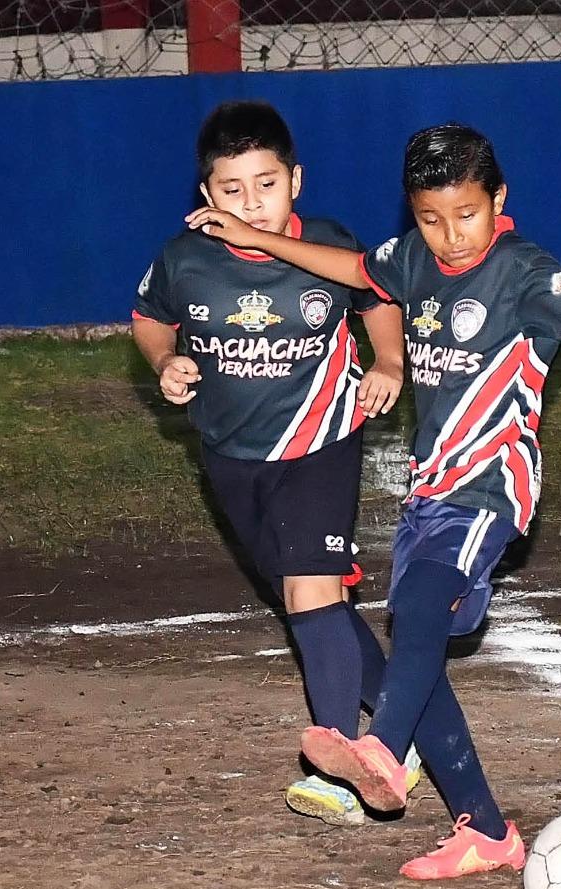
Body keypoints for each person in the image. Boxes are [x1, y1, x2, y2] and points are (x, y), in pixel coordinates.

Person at [186, 123, 561, 880]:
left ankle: (386, 747)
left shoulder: (525, 274)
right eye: (431, 218)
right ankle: (487, 831)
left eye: (466, 214)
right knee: (419, 644)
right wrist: (256, 237)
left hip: (491, 484)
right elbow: (348, 266)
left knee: (423, 612)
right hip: (430, 490)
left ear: (497, 200)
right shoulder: (412, 261)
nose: (450, 235)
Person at [132, 100, 417, 829]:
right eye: (232, 188)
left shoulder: (328, 246)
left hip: (321, 440)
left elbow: (376, 296)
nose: (251, 202)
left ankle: (338, 764)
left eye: (266, 183)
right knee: (308, 599)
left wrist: (387, 359)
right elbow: (150, 316)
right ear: (207, 195)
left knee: (309, 591)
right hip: (231, 456)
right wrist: (166, 360)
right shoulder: (184, 259)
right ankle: (401, 725)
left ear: (296, 179)